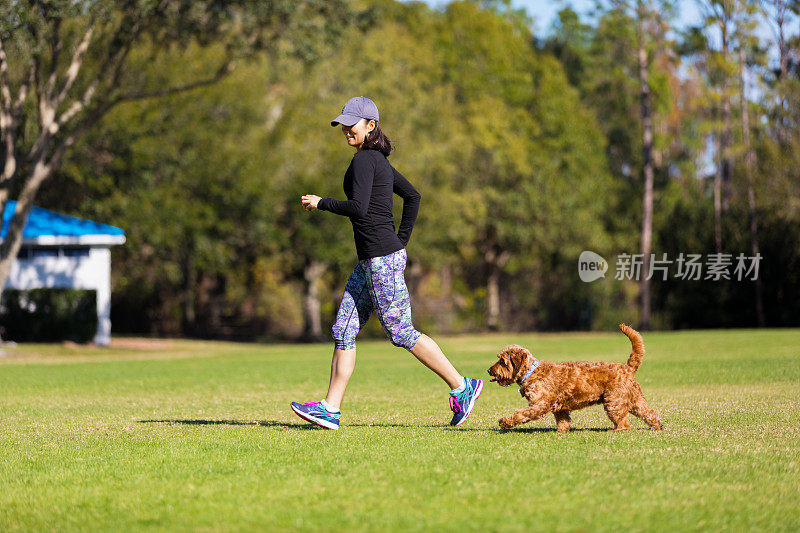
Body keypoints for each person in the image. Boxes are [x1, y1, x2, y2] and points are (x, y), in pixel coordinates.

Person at [291, 96, 483, 430]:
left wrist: (322, 203)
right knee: (344, 329)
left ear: (371, 125)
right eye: (343, 123)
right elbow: (413, 196)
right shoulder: (378, 161)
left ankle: (461, 386)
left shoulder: (366, 161)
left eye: (352, 123)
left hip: (381, 258)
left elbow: (359, 208)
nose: (346, 129)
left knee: (400, 331)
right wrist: (401, 241)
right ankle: (329, 409)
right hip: (373, 259)